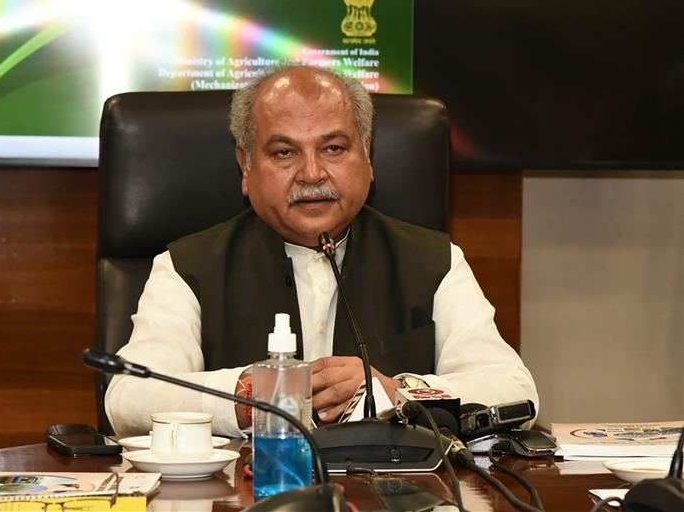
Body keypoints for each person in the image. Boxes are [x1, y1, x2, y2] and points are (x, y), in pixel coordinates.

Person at [105, 65, 538, 438]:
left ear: (366, 156)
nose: (312, 173)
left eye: (334, 148)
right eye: (284, 152)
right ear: (246, 165)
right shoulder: (187, 267)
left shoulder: (434, 261)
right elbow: (127, 398)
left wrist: (392, 391)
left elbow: (515, 390)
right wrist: (246, 395)